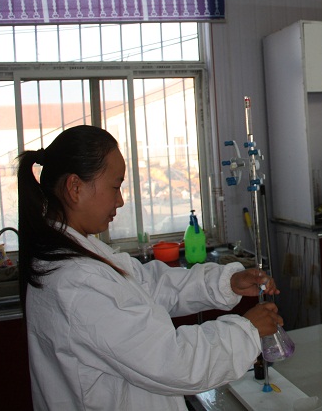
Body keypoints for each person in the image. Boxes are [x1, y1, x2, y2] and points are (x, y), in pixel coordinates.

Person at [17, 125, 282, 411]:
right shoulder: (76, 282)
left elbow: (149, 285)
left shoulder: (79, 254)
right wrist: (247, 330)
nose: (120, 200)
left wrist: (226, 282)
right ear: (75, 187)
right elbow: (173, 362)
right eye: (115, 186)